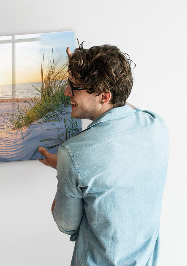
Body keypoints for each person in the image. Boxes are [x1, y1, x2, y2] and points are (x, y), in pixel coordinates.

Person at [38, 44, 168, 265]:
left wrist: (66, 169)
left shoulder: (73, 154)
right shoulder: (156, 125)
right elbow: (121, 106)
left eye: (74, 86)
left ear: (104, 96)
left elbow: (66, 225)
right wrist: (86, 74)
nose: (66, 92)